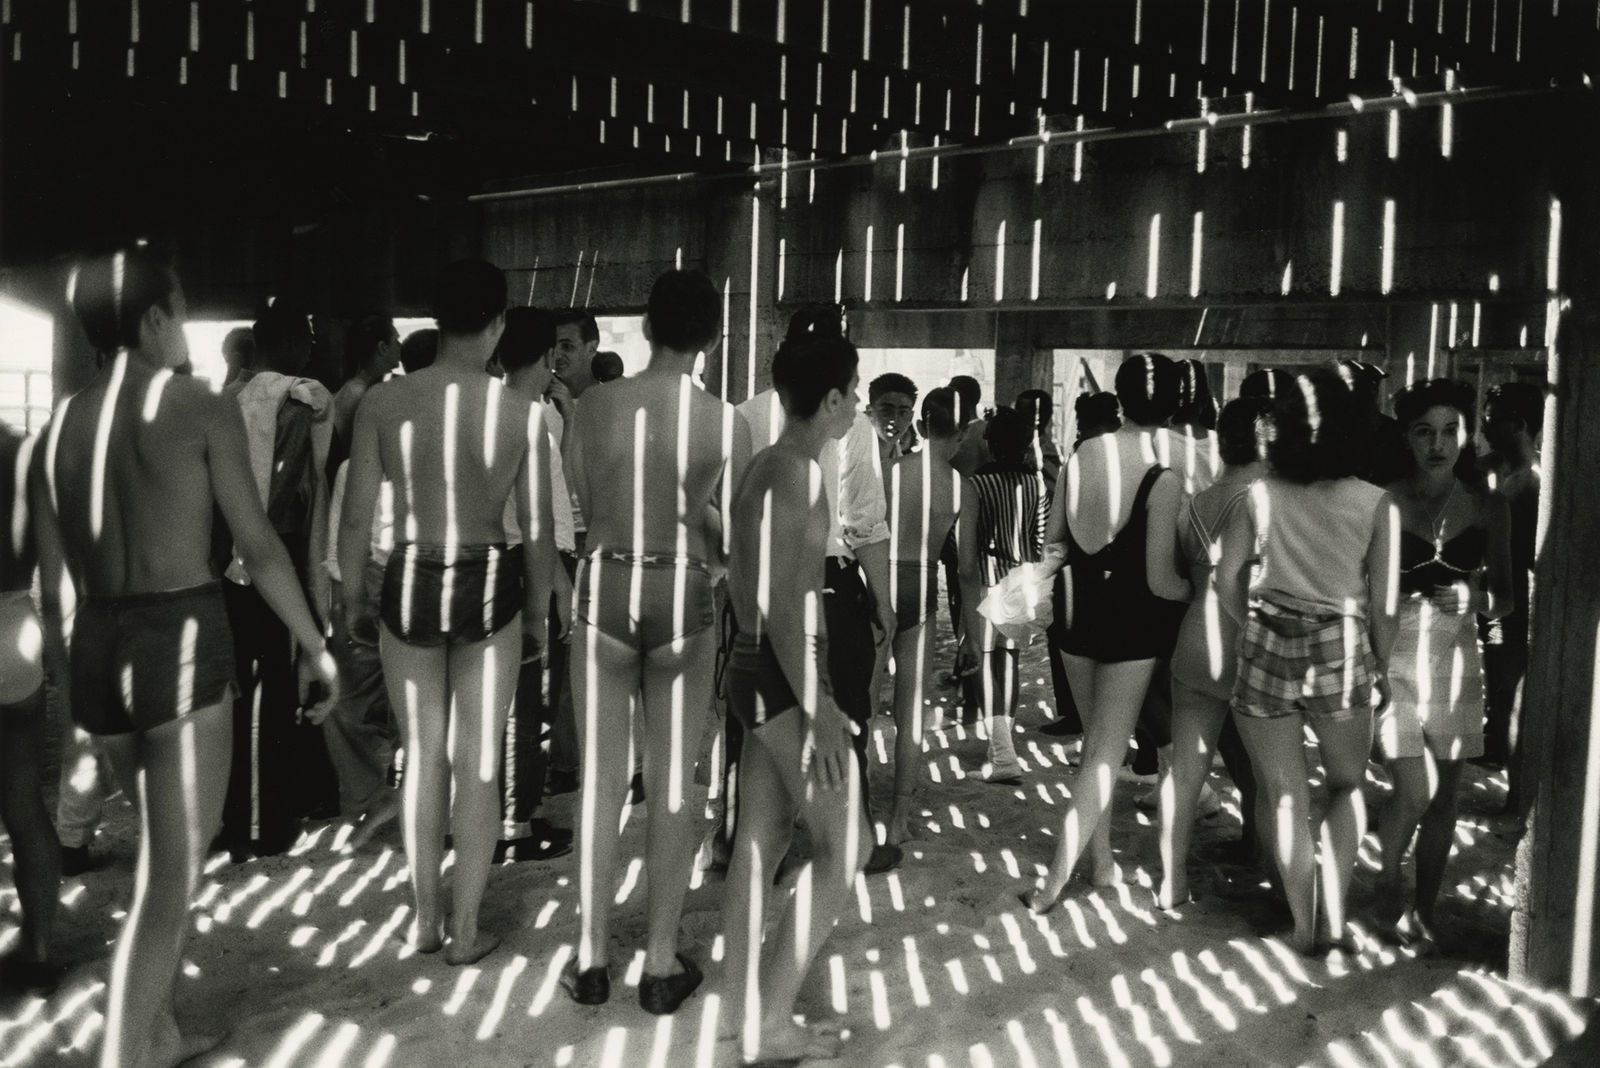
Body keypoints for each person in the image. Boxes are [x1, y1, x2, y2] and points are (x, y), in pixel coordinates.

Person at [35, 248, 337, 1066]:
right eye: (177, 309)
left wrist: (72, 705)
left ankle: (159, 1028)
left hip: (99, 644)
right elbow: (260, 546)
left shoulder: (58, 428)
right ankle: (130, 1051)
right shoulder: (199, 409)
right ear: (154, 321)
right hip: (181, 637)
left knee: (160, 859)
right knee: (173, 872)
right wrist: (315, 644)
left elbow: (54, 591)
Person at [339, 259, 557, 965]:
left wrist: (349, 598)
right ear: (496, 326)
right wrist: (539, 615)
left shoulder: (385, 404)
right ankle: (466, 931)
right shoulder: (522, 414)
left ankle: (424, 920)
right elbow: (540, 529)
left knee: (423, 759)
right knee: (480, 763)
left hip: (409, 572)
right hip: (489, 573)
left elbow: (357, 516)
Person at [562, 270, 752, 1013]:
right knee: (675, 779)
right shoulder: (722, 420)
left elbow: (584, 496)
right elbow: (729, 530)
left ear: (645, 327)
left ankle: (588, 956)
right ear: (708, 339)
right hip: (681, 585)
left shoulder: (595, 403)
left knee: (601, 779)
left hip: (606, 577)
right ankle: (663, 958)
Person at [720, 329, 871, 1066]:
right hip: (781, 676)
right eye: (856, 389)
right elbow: (788, 608)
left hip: (754, 669)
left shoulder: (764, 466)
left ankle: (740, 1005)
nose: (860, 403)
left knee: (763, 840)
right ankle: (770, 1020)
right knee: (849, 845)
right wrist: (824, 710)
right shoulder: (799, 476)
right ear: (834, 397)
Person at [1215, 368, 1399, 955]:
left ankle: (1300, 925)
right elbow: (1386, 605)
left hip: (1269, 635)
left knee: (1284, 796)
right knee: (1346, 789)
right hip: (1342, 644)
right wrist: (1383, 666)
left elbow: (1226, 579)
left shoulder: (1260, 494)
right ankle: (1336, 919)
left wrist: (1252, 628)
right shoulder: (1377, 504)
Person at [1023, 354, 1191, 911]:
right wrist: (1197, 596)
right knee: (1104, 753)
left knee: (1094, 746)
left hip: (1076, 609)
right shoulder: (1166, 475)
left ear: (1119, 398)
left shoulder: (1082, 456)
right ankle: (1053, 881)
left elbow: (1055, 544)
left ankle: (1100, 864)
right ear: (1176, 402)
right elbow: (1162, 580)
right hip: (1132, 624)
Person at [1375, 379, 1511, 944]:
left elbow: (1506, 597)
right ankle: (1387, 884)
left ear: (1467, 434)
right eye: (1425, 432)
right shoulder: (1386, 501)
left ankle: (1424, 910)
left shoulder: (1488, 505)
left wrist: (1477, 600)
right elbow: (1374, 596)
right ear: (1407, 437)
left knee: (1445, 795)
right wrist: (1379, 677)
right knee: (1411, 788)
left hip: (1456, 656)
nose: (1439, 444)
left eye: (1451, 430)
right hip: (1395, 654)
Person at [216, 302, 338, 859]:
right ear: (287, 341)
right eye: (306, 339)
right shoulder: (291, 401)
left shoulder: (225, 400)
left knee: (241, 690)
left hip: (223, 556)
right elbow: (285, 492)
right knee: (269, 690)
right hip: (268, 555)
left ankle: (237, 814)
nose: (311, 352)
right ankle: (260, 824)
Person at [1157, 397, 1269, 909]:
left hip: (1193, 638)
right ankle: (1266, 862)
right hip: (1246, 641)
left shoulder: (1195, 501)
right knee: (1268, 770)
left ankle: (1172, 879)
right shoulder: (1263, 500)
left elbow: (1177, 573)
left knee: (1186, 772)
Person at [487, 306, 576, 861]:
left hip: (510, 560)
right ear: (546, 357)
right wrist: (558, 587)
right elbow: (534, 518)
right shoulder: (529, 416)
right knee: (528, 701)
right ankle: (516, 824)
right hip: (532, 564)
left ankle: (504, 816)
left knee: (508, 702)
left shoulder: (494, 408)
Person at [882, 386, 964, 844]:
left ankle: (846, 809)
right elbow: (967, 569)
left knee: (862, 699)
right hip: (921, 581)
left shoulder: (893, 470)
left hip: (883, 578)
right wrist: (971, 632)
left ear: (922, 422)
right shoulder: (959, 486)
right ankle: (898, 818)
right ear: (964, 431)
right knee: (910, 710)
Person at [956, 408, 1051, 784]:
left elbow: (965, 552)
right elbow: (1040, 541)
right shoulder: (1036, 484)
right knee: (1009, 661)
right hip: (1023, 578)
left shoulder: (976, 485)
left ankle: (1001, 751)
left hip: (986, 576)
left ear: (990, 443)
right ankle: (1004, 744)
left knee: (984, 659)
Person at [0, 423, 60, 995]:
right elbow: (54, 557)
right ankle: (39, 949)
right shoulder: (21, 448)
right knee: (24, 800)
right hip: (15, 623)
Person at [1479, 381, 1542, 802]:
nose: (1484, 425)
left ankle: (1517, 795)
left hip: (1517, 603)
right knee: (1497, 682)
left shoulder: (1534, 483)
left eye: (1492, 418)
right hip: (1491, 599)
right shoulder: (1489, 468)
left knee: (1513, 689)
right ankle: (1496, 748)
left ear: (1518, 425)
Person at [867, 371, 920, 475]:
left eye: (903, 412)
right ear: (870, 412)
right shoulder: (849, 453)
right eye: (886, 411)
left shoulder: (905, 467)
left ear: (910, 418)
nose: (895, 420)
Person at [553, 308, 601, 399]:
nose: (556, 355)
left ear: (591, 348)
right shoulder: (538, 398)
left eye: (567, 346)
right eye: (552, 346)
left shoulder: (611, 398)